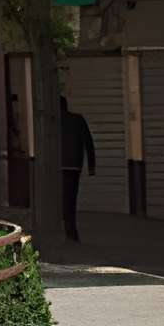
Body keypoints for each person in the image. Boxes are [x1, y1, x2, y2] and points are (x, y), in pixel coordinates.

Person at [60, 100, 98, 242]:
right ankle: (71, 232)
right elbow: (88, 141)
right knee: (71, 199)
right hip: (74, 165)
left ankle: (64, 230)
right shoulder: (78, 119)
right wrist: (91, 165)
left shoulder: (53, 122)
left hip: (58, 166)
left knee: (60, 199)